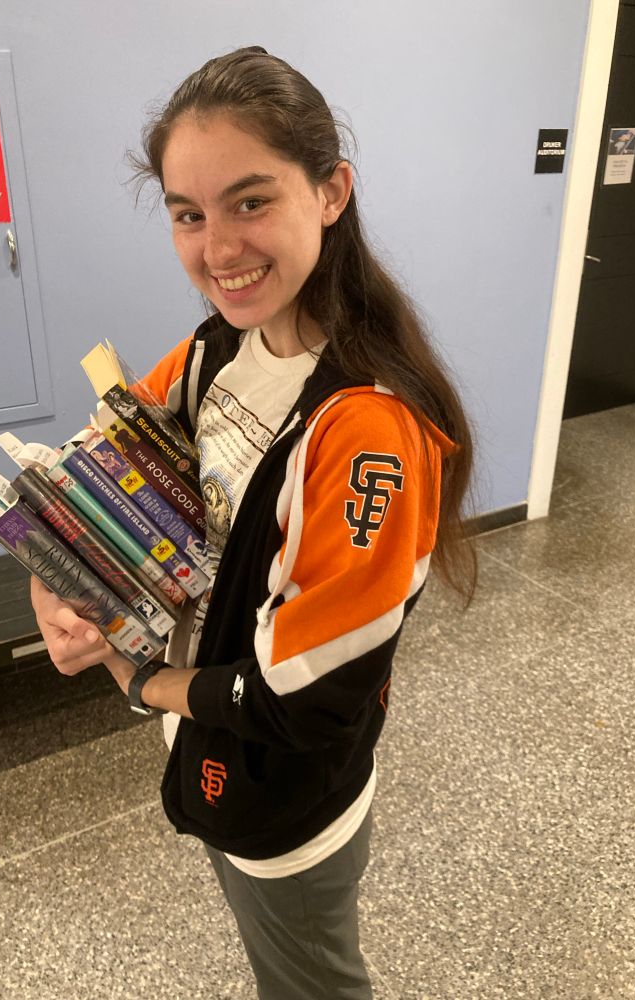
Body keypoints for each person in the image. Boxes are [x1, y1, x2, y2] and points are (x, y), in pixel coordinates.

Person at [31, 46, 476, 1000]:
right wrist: (53, 576)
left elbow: (303, 701)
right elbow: (97, 466)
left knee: (311, 981)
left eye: (250, 201)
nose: (217, 249)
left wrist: (138, 678)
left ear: (330, 191)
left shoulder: (367, 432)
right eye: (189, 214)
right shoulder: (218, 348)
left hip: (284, 798)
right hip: (209, 733)